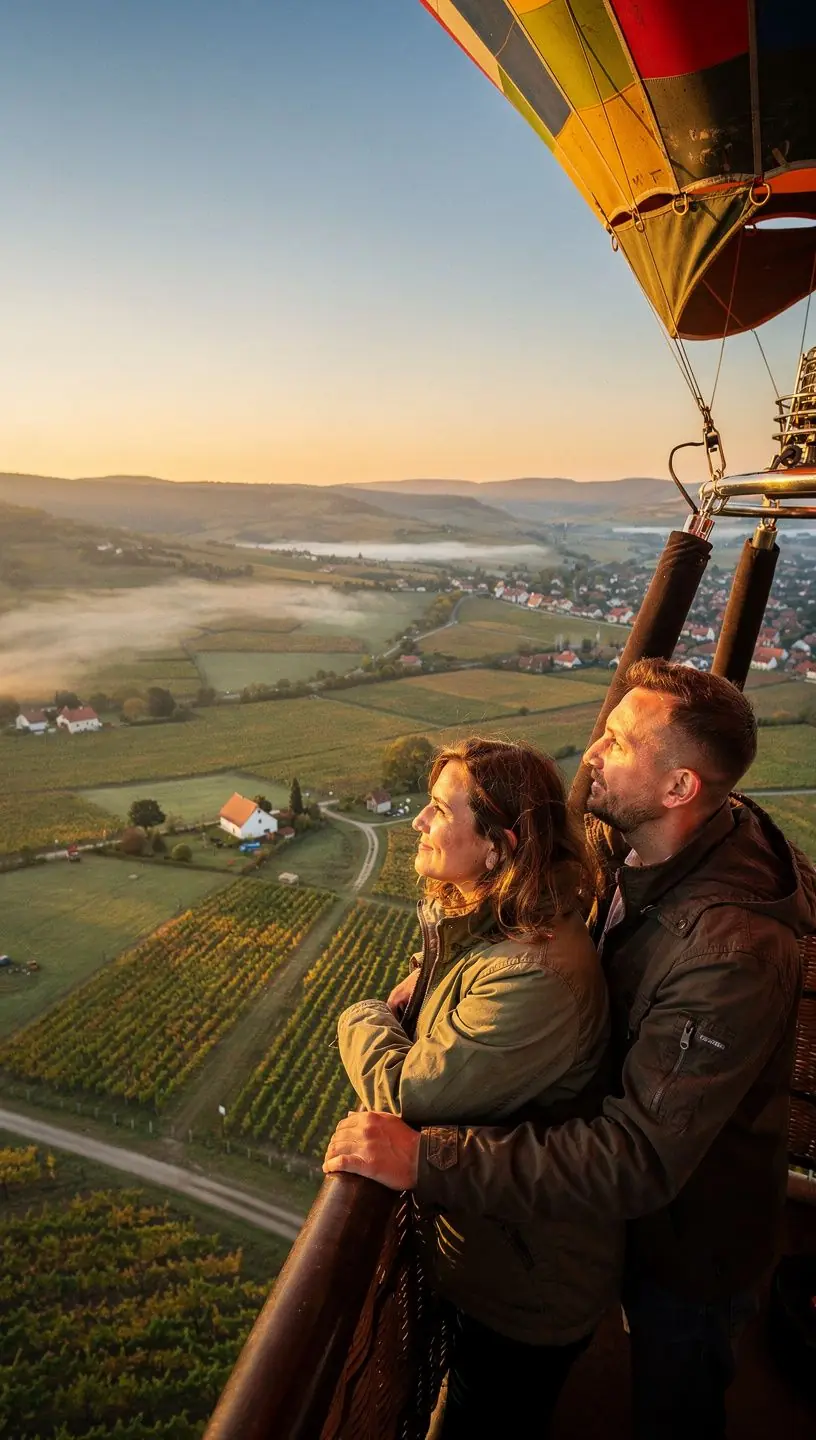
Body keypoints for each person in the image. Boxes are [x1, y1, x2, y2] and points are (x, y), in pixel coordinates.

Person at [325, 660, 816, 1440]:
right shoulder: (637, 846)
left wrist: (429, 1161)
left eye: (619, 743)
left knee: (674, 1407)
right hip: (612, 1220)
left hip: (691, 1236)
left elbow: (638, 1158)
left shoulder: (731, 952)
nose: (593, 754)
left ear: (680, 788)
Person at [334, 737, 622, 1437]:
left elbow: (409, 1092)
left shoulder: (536, 973)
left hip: (529, 1289)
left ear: (500, 845)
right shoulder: (496, 923)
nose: (418, 824)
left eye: (438, 811)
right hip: (498, 1255)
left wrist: (361, 1013)